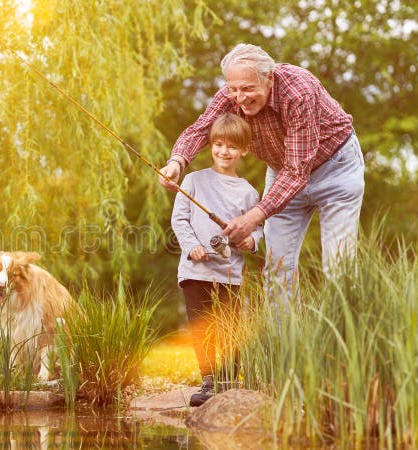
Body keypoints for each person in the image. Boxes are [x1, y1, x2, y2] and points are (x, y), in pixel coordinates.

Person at [160, 43, 364, 302]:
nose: (240, 97)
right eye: (233, 88)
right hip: (283, 173)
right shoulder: (231, 95)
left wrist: (252, 217)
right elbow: (201, 129)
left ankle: (345, 339)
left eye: (247, 89)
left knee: (339, 267)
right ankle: (283, 341)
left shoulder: (298, 92)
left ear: (269, 78)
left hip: (336, 170)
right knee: (278, 269)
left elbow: (297, 171)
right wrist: (177, 162)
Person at [171, 113, 263, 407]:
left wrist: (251, 241)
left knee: (229, 327)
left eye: (232, 147)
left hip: (229, 273)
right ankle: (209, 382)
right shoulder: (194, 180)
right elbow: (179, 219)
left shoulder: (249, 192)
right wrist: (192, 246)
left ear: (245, 150)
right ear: (210, 145)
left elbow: (259, 228)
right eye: (219, 144)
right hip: (195, 271)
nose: (224, 151)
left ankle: (228, 382)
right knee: (202, 325)